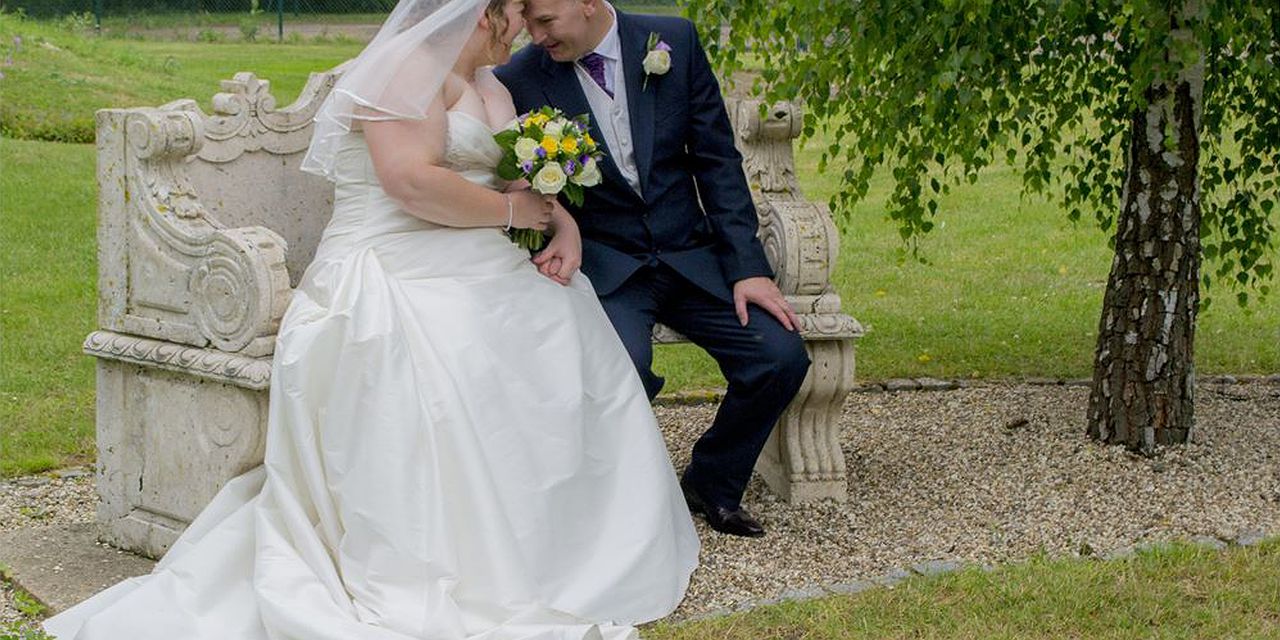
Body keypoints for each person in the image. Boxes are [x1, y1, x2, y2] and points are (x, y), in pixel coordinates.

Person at [42, 1, 698, 638]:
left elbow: (512, 187)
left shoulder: (490, 83)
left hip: (470, 257)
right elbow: (409, 181)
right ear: (483, 11)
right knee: (462, 352)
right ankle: (473, 558)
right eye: (519, 11)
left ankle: (564, 545)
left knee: (561, 324)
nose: (527, 26)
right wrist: (511, 217)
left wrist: (562, 221)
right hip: (386, 263)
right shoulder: (404, 67)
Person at [494, 0, 811, 539]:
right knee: (623, 370)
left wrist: (748, 268)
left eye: (545, 21)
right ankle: (621, 506)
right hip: (607, 266)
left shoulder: (674, 43)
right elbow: (518, 184)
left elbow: (717, 161)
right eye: (528, 22)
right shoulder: (519, 78)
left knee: (779, 356)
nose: (535, 34)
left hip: (692, 256)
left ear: (589, 3)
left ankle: (711, 482)